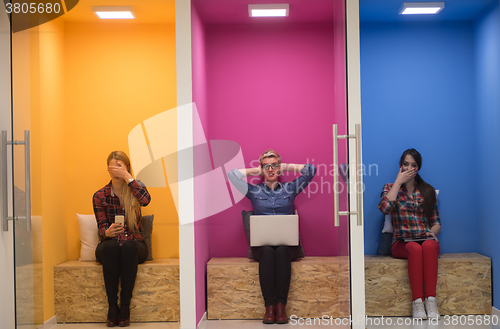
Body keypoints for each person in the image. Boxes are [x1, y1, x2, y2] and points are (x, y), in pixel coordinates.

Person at [228, 149, 316, 324]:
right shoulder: (253, 191)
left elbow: (311, 170)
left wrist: (284, 166)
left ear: (279, 168)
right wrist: (257, 170)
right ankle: (269, 307)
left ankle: (281, 306)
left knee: (281, 250)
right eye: (266, 166)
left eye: (274, 165)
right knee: (268, 252)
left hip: (288, 247)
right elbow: (232, 175)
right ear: (262, 168)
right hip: (263, 247)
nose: (270, 169)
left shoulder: (291, 188)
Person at [378, 148, 441, 320]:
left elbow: (436, 222)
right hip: (401, 243)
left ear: (418, 168)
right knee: (414, 247)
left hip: (425, 238)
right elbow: (385, 209)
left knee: (428, 245)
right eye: (406, 164)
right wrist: (398, 183)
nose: (409, 168)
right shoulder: (390, 188)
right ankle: (418, 303)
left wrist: (431, 234)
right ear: (400, 166)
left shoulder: (427, 191)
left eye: (413, 165)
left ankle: (431, 301)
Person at [93, 151, 151, 327]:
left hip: (134, 244)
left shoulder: (134, 191)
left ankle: (125, 306)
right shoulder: (100, 195)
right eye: (112, 166)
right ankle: (112, 306)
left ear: (126, 167)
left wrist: (128, 177)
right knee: (111, 248)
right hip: (110, 244)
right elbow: (101, 224)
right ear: (108, 169)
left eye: (120, 166)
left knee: (127, 247)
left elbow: (146, 200)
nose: (115, 170)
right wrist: (107, 232)